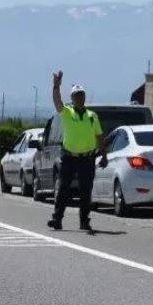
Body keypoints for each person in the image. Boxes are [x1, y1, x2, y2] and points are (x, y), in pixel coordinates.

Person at [47, 72, 107, 232]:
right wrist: (56, 86)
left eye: (82, 95)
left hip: (87, 158)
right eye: (77, 95)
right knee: (63, 189)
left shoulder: (92, 116)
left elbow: (100, 136)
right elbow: (57, 102)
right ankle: (57, 218)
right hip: (69, 157)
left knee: (86, 191)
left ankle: (84, 221)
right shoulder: (67, 112)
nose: (80, 98)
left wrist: (104, 155)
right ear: (72, 98)